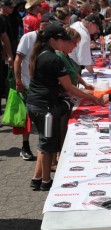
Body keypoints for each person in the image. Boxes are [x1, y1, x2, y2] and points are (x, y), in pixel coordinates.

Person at [26, 24, 103, 191]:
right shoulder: (52, 58)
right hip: (44, 106)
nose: (66, 43)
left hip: (36, 103)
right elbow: (69, 87)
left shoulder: (42, 53)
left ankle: (37, 178)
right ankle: (46, 181)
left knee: (45, 142)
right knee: (48, 144)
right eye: (64, 40)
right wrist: (92, 97)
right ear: (54, 40)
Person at [14, 13, 56, 161]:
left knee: (41, 117)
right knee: (26, 117)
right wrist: (18, 81)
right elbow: (18, 59)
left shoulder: (49, 39)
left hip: (41, 84)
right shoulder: (28, 37)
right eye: (49, 24)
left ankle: (43, 149)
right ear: (43, 24)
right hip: (27, 83)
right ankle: (25, 146)